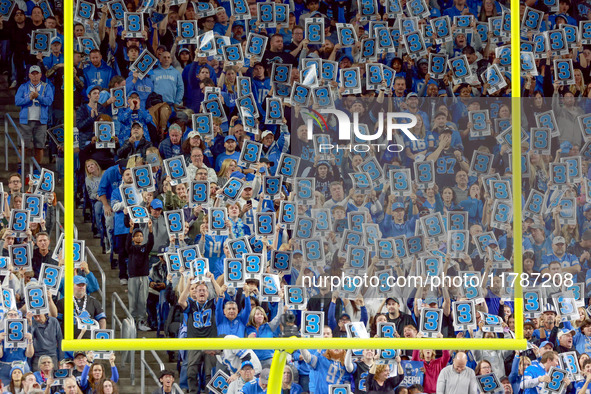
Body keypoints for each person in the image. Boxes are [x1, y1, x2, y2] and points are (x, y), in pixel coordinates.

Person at [15, 65, 55, 166]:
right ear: (29, 75)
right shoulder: (23, 87)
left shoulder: (47, 87)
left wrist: (38, 97)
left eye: (37, 74)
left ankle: (37, 168)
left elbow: (49, 101)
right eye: (33, 74)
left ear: (41, 75)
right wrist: (29, 98)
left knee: (39, 145)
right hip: (26, 120)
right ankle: (20, 166)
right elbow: (17, 101)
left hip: (41, 120)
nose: (35, 76)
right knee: (23, 145)